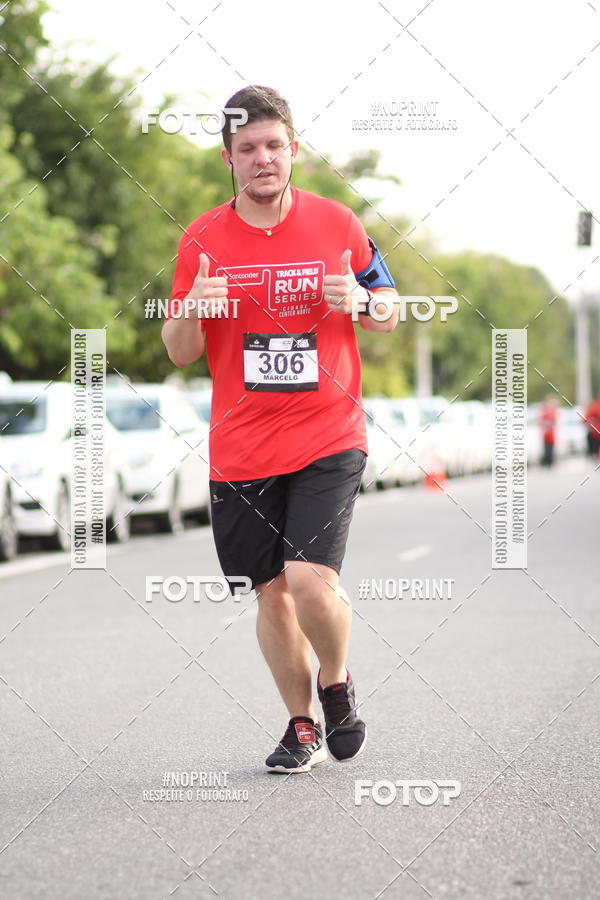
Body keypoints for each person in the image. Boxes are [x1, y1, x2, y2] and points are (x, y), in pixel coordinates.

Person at [162, 85, 399, 773]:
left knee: (308, 580)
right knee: (270, 591)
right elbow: (179, 351)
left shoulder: (338, 223)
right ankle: (301, 726)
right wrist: (193, 309)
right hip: (241, 447)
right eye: (247, 149)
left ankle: (337, 683)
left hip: (328, 430)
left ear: (293, 149)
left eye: (273, 145)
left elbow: (387, 309)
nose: (262, 158)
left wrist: (360, 299)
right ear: (229, 159)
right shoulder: (202, 239)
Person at [538, 395, 558, 466]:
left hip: (551, 433)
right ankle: (546, 461)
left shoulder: (553, 412)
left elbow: (555, 421)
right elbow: (541, 421)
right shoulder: (544, 412)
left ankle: (550, 461)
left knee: (551, 447)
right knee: (546, 447)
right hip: (546, 433)